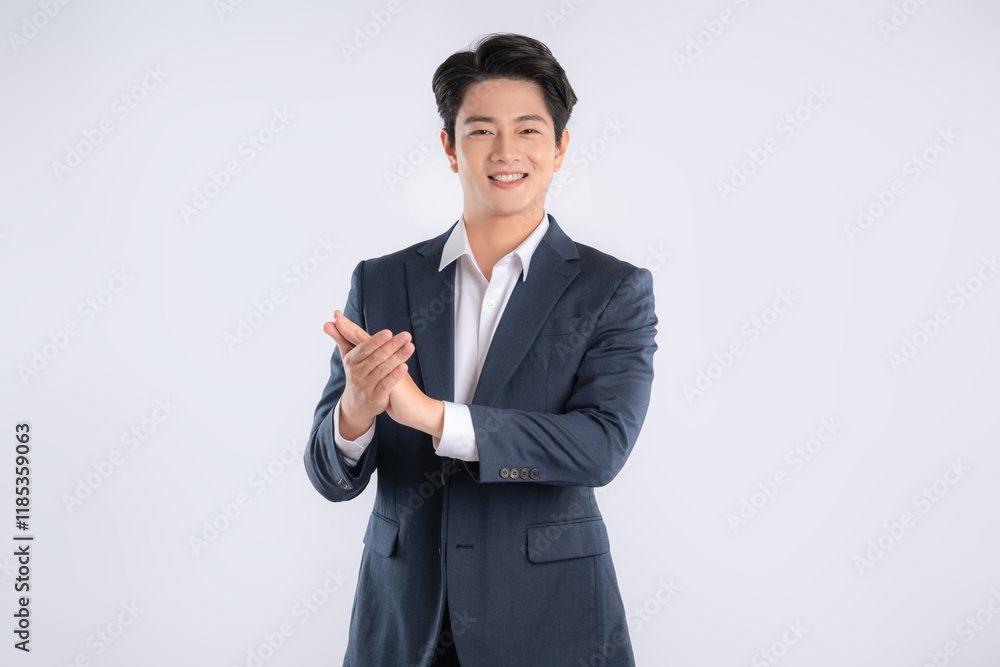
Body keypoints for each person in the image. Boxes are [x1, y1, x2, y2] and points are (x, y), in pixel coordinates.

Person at [303, 32, 657, 667]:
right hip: (403, 625)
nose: (505, 152)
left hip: (549, 622)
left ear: (560, 146)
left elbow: (601, 446)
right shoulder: (380, 282)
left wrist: (429, 415)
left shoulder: (612, 289)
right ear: (449, 146)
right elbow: (330, 477)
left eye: (528, 130)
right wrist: (354, 412)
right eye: (481, 130)